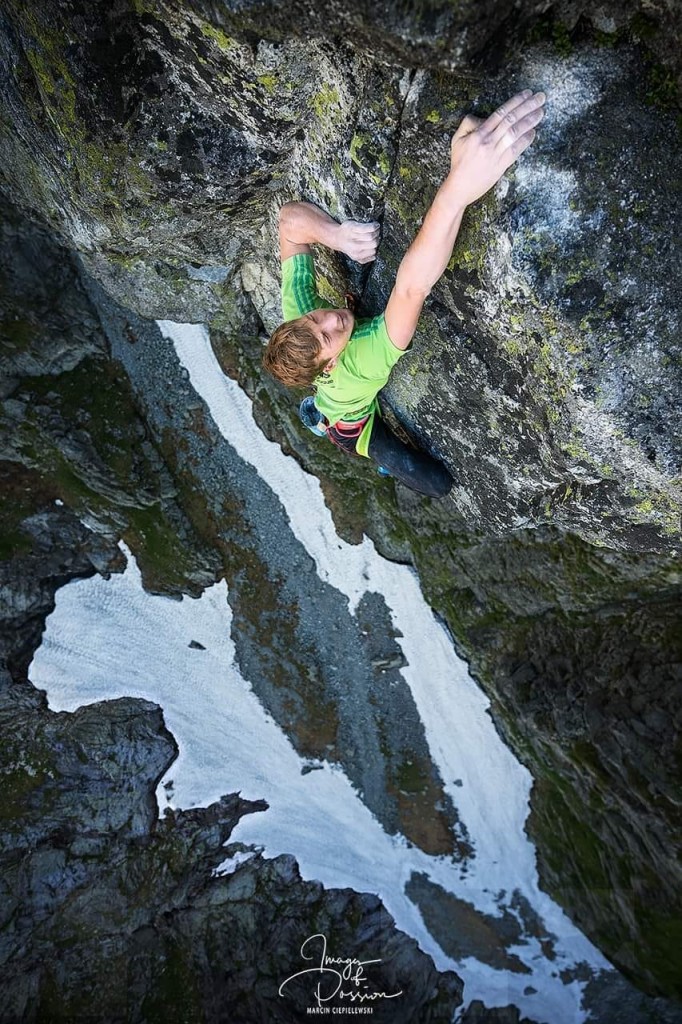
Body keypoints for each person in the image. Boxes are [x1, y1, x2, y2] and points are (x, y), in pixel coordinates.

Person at [263, 89, 546, 497]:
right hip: (352, 424)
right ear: (329, 365)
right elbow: (412, 286)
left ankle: (316, 410)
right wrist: (458, 186)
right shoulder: (361, 363)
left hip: (329, 394)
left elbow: (288, 221)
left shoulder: (299, 314)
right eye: (327, 336)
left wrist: (338, 237)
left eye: (314, 319)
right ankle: (331, 424)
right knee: (438, 485)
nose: (330, 319)